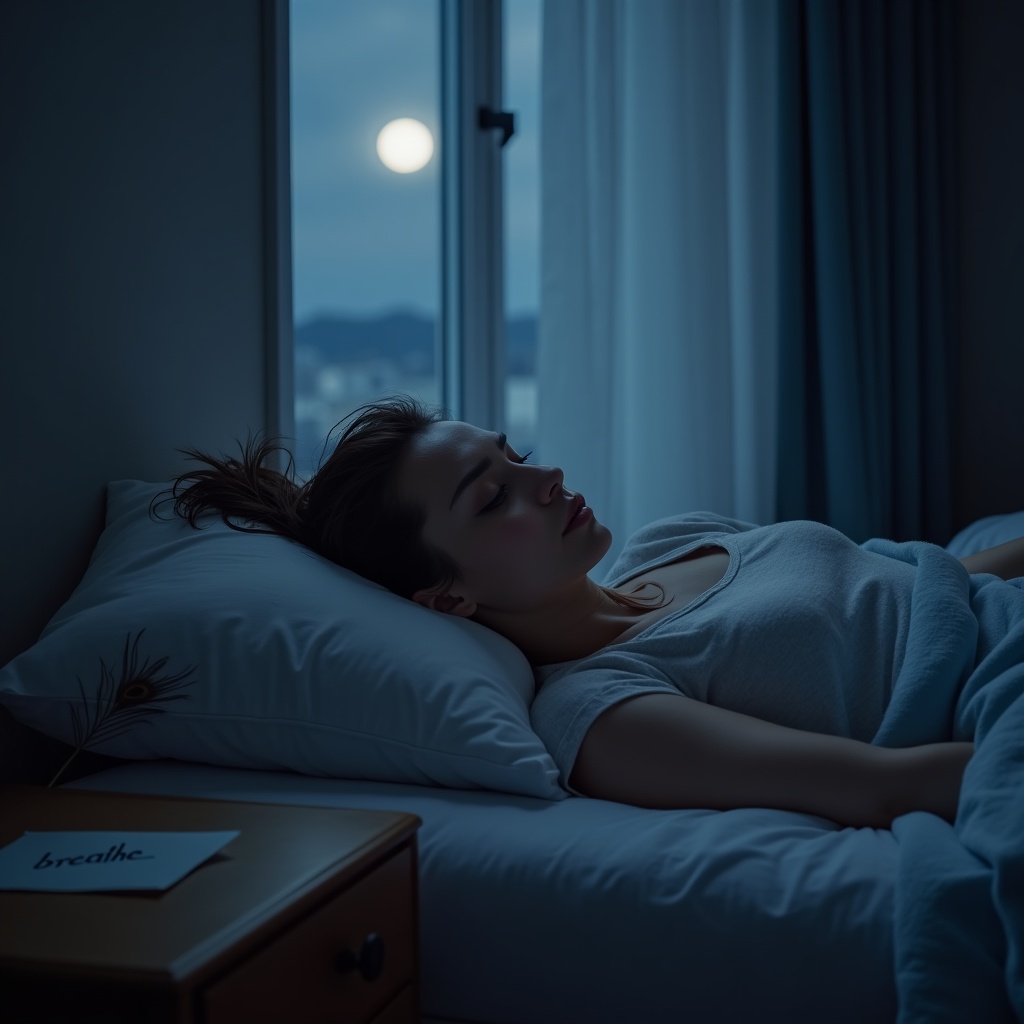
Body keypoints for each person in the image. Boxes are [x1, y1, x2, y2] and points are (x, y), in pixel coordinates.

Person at [170, 396, 1024, 829]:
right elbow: (879, 785)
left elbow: (929, 581)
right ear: (448, 597)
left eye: (517, 455)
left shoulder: (675, 538)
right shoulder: (603, 713)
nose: (545, 479)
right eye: (494, 495)